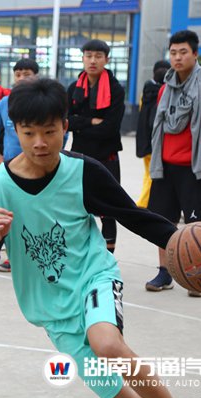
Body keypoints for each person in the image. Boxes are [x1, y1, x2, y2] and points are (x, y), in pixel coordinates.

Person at [0, 78, 174, 398]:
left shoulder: (83, 172)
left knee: (107, 345)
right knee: (115, 392)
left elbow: (131, 214)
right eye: (29, 133)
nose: (39, 143)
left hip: (94, 277)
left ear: (64, 127)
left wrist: (179, 240)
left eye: (49, 131)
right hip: (50, 310)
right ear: (15, 131)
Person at [145, 30, 201, 297]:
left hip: (194, 167)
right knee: (162, 222)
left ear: (195, 54)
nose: (178, 57)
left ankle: (198, 277)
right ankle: (165, 272)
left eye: (183, 52)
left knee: (195, 227)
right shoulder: (165, 89)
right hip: (165, 166)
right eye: (173, 53)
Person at [67, 39, 125, 254]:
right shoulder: (73, 89)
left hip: (106, 157)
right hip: (79, 157)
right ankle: (81, 254)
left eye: (98, 56)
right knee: (76, 208)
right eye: (89, 56)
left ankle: (108, 257)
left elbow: (110, 128)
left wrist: (80, 124)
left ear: (106, 60)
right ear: (82, 58)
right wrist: (91, 121)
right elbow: (67, 122)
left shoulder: (116, 90)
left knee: (109, 210)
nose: (93, 61)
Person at [0, 58, 40, 273]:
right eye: (18, 74)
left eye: (27, 74)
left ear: (36, 76)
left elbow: (61, 133)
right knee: (10, 211)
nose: (22, 78)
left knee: (36, 211)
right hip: (12, 170)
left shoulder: (43, 103)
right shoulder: (5, 103)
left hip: (39, 168)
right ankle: (12, 255)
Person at [135, 60, 170, 208]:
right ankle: (143, 204)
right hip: (156, 141)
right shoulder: (166, 93)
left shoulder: (145, 91)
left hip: (143, 139)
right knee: (153, 173)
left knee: (148, 173)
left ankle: (147, 202)